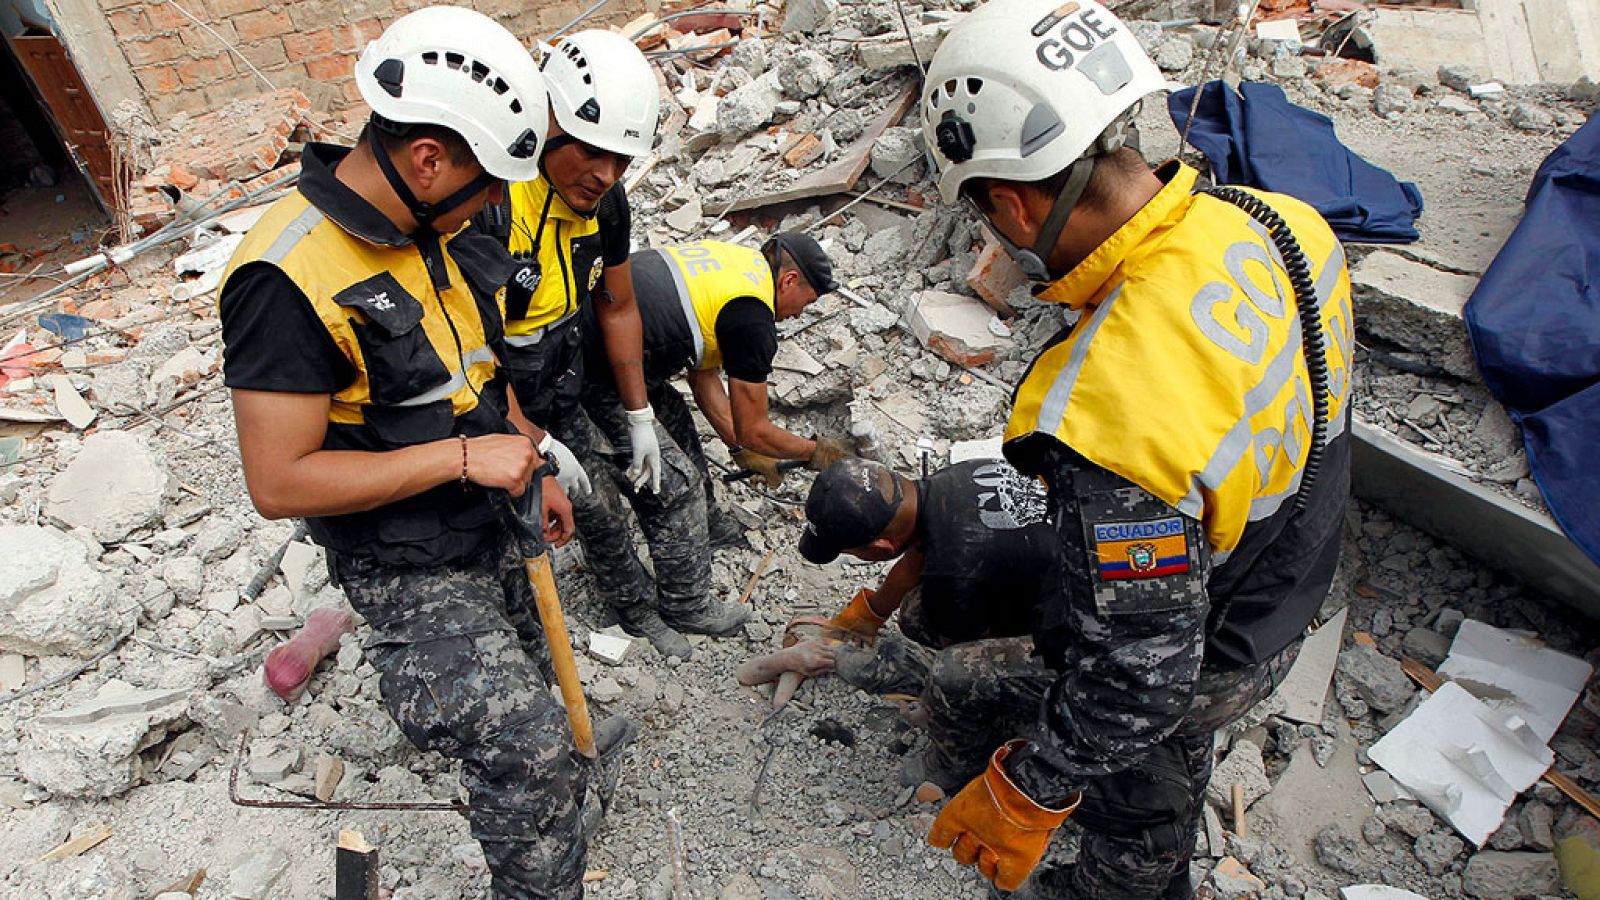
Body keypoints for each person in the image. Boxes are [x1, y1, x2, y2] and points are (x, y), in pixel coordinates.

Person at [916, 0, 1356, 896]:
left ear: (1009, 200)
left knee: (1139, 796)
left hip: (1218, 646)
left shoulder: (1110, 406)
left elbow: (1142, 680)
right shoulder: (1283, 225)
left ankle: (1128, 880)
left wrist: (1030, 789)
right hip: (1297, 573)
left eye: (986, 221)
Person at [217, 9, 629, 897]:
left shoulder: (434, 233)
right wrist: (461, 461)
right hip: (406, 561)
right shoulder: (285, 279)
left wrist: (532, 455)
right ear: (428, 159)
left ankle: (565, 789)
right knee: (518, 747)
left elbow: (473, 375)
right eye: (488, 185)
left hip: (491, 518)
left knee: (543, 692)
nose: (494, 208)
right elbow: (278, 480)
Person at [457, 29, 748, 661]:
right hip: (502, 394)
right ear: (549, 118)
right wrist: (529, 437)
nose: (605, 175)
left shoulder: (604, 204)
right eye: (592, 152)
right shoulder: (489, 207)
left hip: (572, 372)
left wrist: (639, 412)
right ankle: (636, 610)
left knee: (670, 479)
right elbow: (466, 351)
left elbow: (616, 305)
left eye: (620, 160)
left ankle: (688, 600)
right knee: (597, 505)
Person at [798, 456, 1058, 793]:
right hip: (1069, 577)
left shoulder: (953, 571)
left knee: (954, 672)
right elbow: (916, 557)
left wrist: (940, 701)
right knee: (918, 615)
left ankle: (960, 762)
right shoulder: (956, 478)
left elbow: (968, 651)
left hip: (1097, 646)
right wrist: (870, 613)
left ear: (880, 547)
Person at [579, 233, 854, 542]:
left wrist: (738, 447)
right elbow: (756, 430)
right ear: (789, 281)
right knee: (672, 487)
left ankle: (709, 524)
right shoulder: (753, 318)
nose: (799, 314)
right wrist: (816, 453)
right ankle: (679, 564)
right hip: (591, 367)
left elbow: (703, 376)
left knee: (674, 415)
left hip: (614, 336)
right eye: (808, 302)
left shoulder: (736, 266)